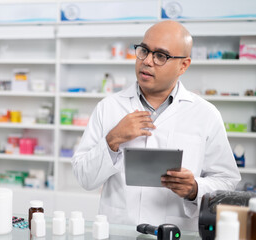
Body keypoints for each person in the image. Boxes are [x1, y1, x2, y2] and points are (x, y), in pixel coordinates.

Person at [71, 20, 241, 231]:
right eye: (144, 50)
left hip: (175, 231)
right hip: (118, 230)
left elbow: (227, 180)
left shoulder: (205, 114)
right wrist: (112, 139)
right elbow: (84, 178)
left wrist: (195, 188)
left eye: (161, 56)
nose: (147, 61)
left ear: (183, 65)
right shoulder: (109, 107)